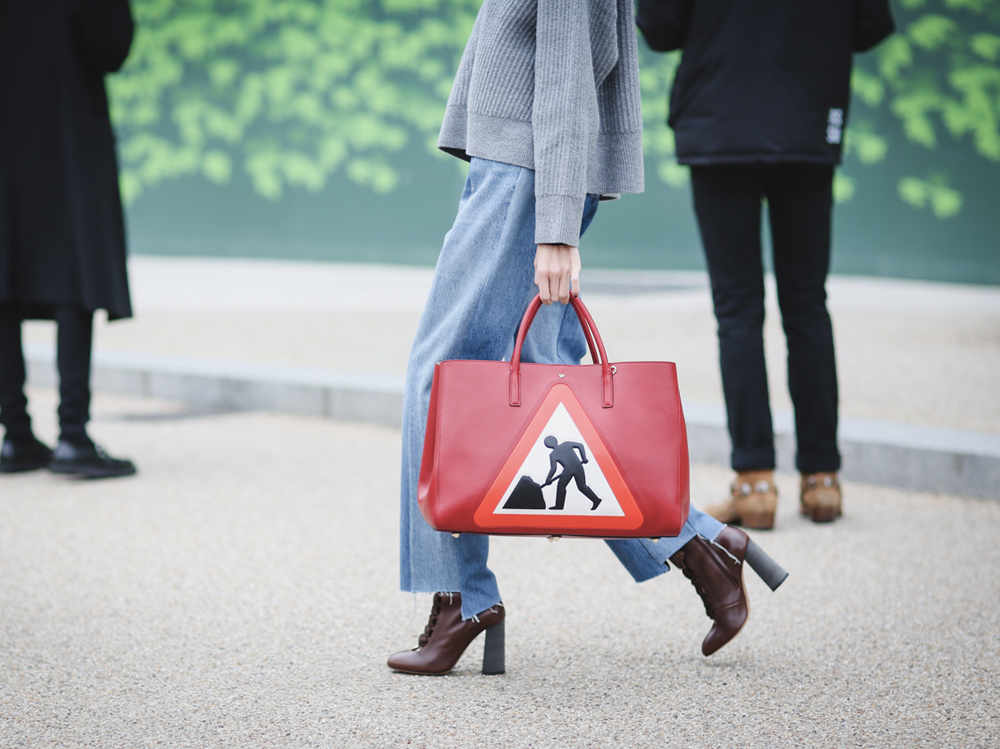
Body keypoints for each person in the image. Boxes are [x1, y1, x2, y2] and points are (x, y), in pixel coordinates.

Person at [387, 0, 787, 677]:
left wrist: (556, 226)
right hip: (522, 167)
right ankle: (700, 545)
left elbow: (569, 72)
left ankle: (460, 597)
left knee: (440, 379)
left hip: (526, 173)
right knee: (555, 398)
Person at [637, 0, 895, 529]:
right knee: (807, 305)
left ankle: (755, 484)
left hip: (720, 121)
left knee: (737, 311)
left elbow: (660, 28)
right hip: (807, 121)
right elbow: (872, 24)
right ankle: (822, 479)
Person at [0, 0, 137, 479]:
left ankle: (15, 434)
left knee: (5, 271)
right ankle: (73, 435)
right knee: (75, 271)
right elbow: (108, 43)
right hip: (67, 125)